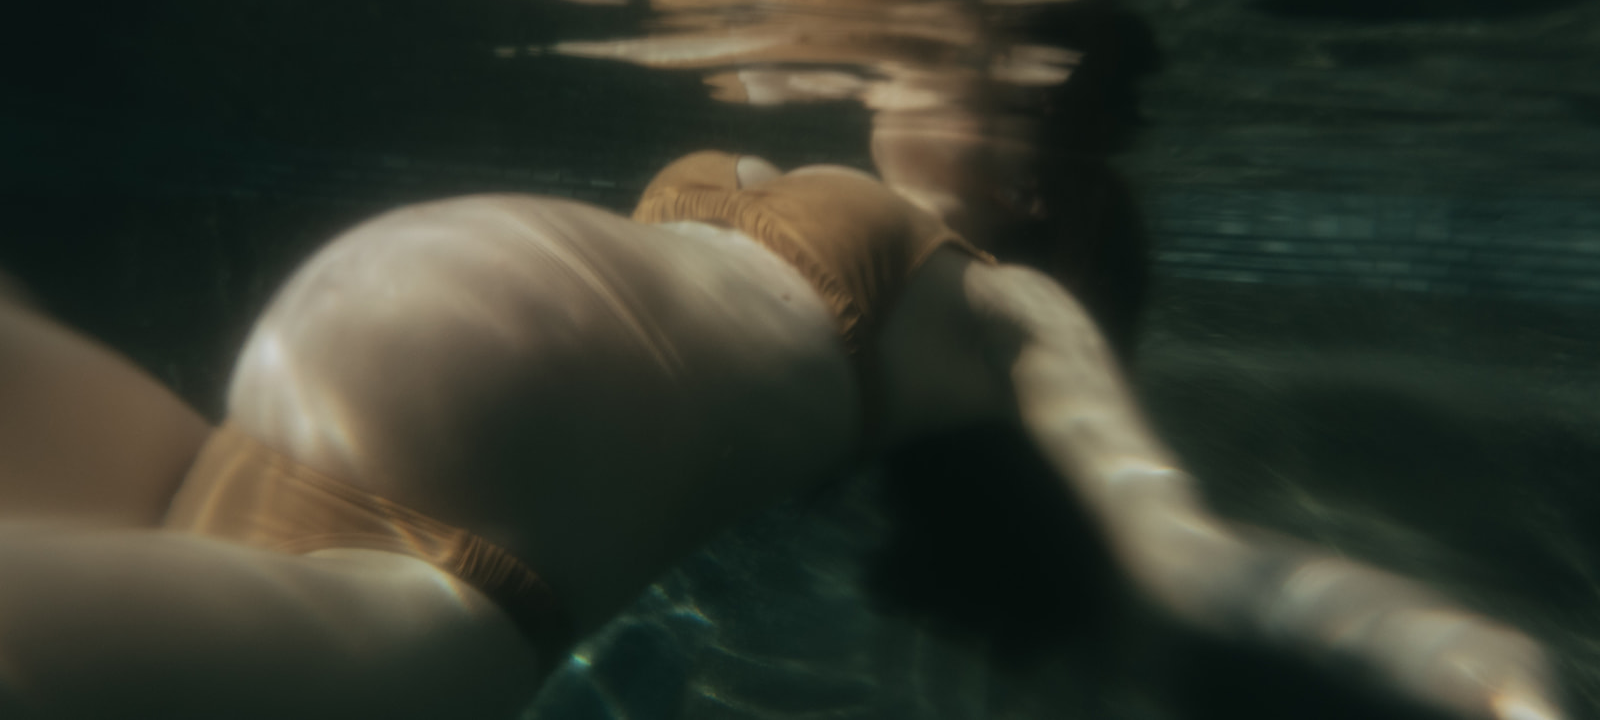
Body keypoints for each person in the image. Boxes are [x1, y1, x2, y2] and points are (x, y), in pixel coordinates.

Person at [0, 153, 1566, 720]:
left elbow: (1184, 544)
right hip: (220, 465)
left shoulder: (1019, 317)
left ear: (1062, 198)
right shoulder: (823, 128)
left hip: (427, 584)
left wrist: (1467, 667)